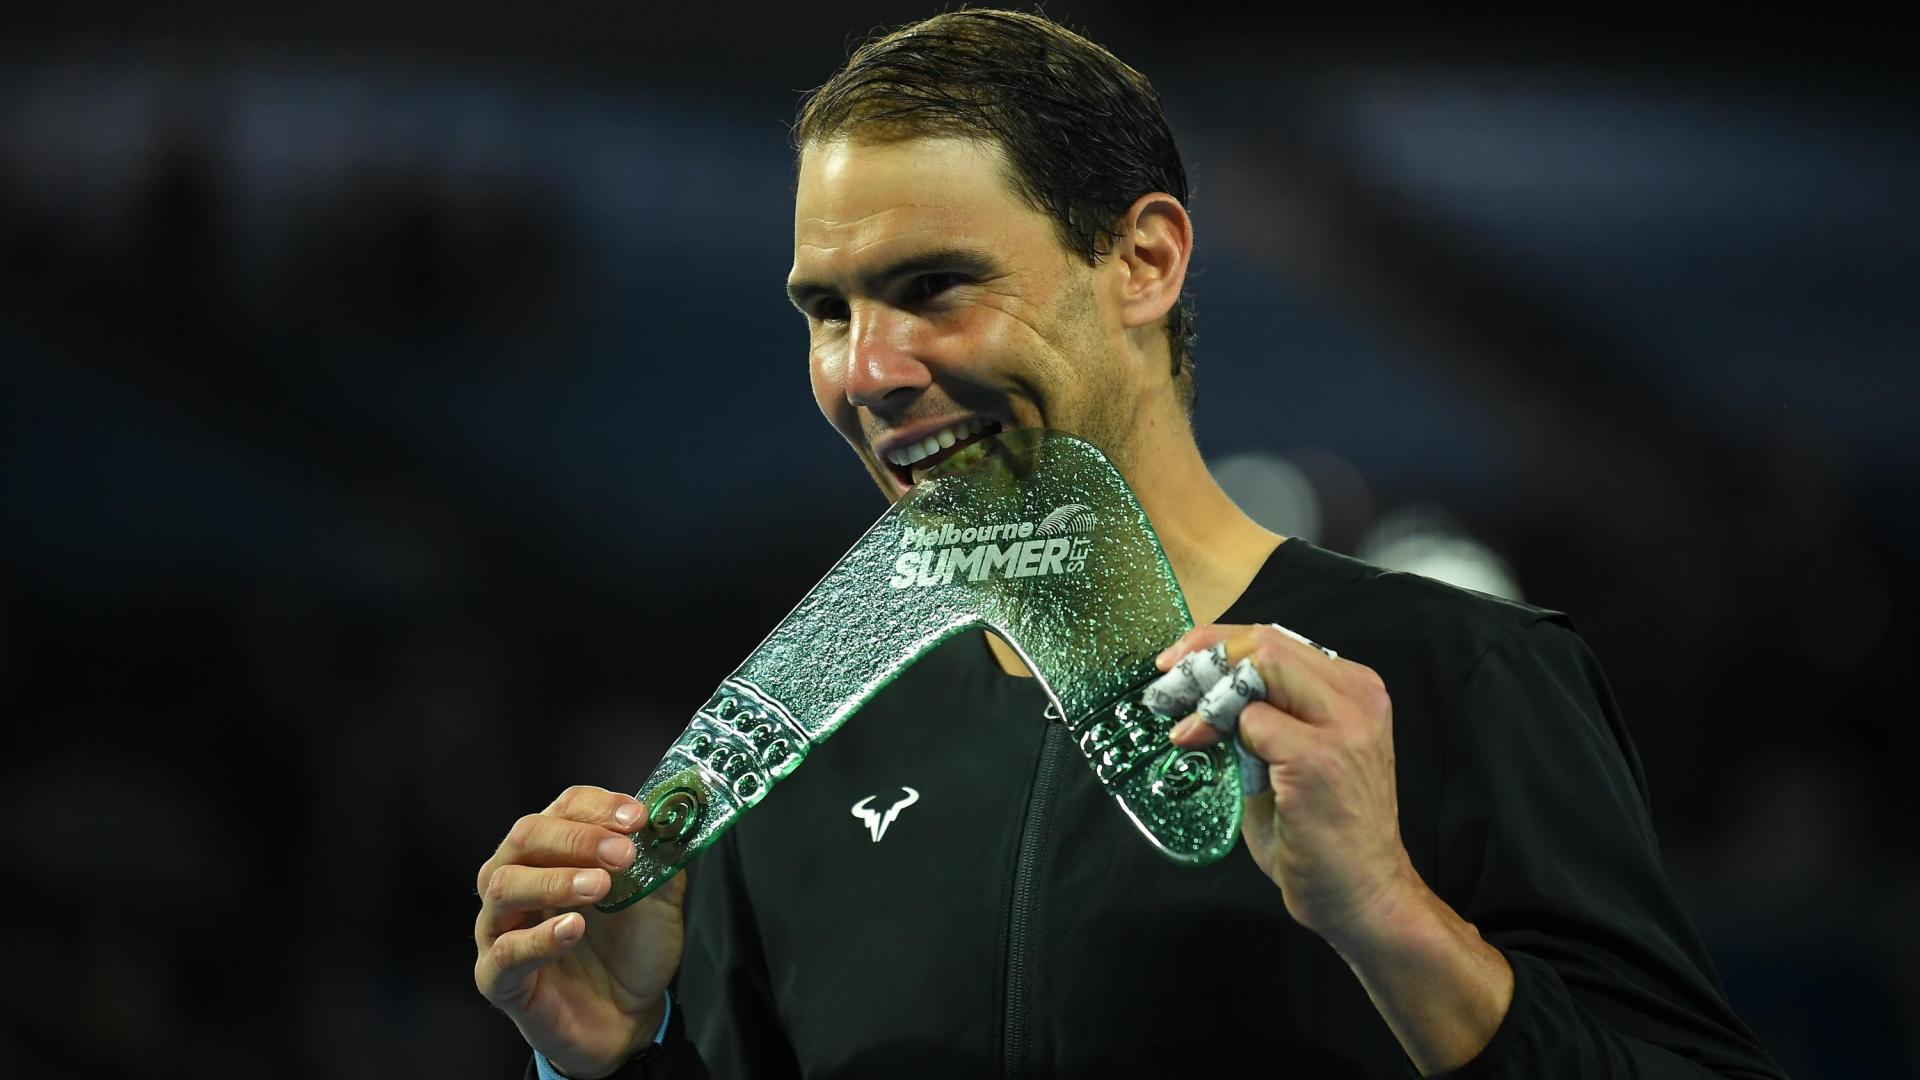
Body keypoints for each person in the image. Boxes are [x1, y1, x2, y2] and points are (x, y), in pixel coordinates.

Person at [473, 10, 1787, 1077]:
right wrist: (605, 1062)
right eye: (827, 311)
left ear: (1146, 260)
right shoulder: (805, 753)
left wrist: (1392, 921)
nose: (864, 369)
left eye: (934, 286)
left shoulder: (1456, 676)